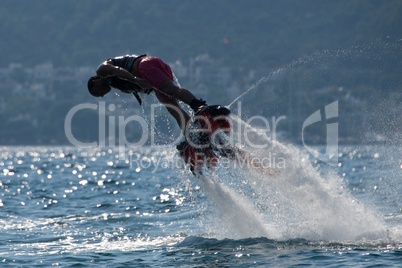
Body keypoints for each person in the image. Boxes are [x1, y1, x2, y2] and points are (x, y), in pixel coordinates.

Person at [87, 54, 207, 132]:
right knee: (172, 108)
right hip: (148, 71)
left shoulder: (101, 71)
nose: (102, 95)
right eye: (99, 96)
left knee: (170, 90)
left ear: (95, 81)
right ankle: (192, 134)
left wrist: (135, 80)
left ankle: (197, 105)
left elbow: (118, 71)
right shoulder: (114, 84)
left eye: (97, 92)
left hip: (144, 65)